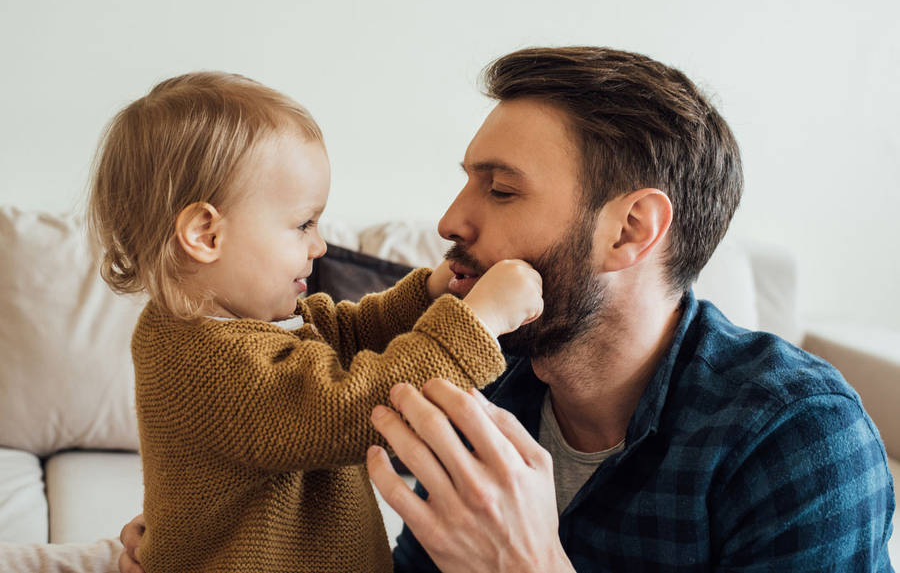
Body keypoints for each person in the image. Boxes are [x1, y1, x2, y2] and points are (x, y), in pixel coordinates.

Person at [120, 48, 896, 572]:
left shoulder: (796, 439)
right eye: (466, 183)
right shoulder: (478, 384)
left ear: (630, 229)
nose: (451, 221)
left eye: (500, 188)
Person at [88, 71, 543, 573]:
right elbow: (354, 405)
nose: (319, 245)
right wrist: (478, 321)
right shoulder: (202, 358)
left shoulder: (243, 324)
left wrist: (428, 295)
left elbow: (345, 336)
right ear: (206, 234)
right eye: (304, 224)